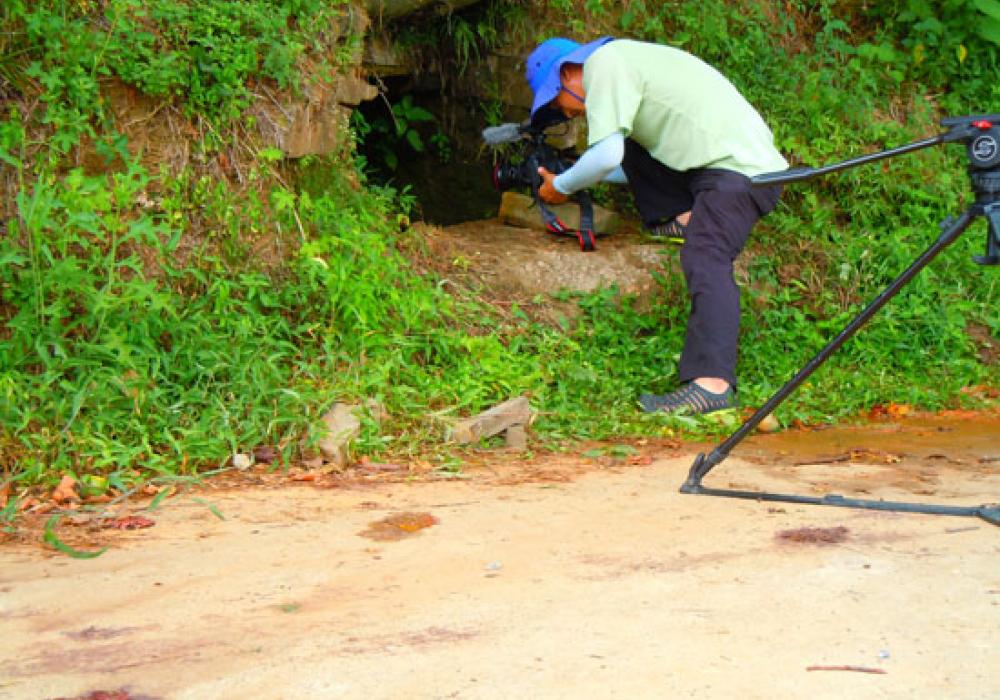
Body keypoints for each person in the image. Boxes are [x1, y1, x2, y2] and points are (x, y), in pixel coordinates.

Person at [524, 36, 787, 415]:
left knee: (706, 256)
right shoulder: (624, 60)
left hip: (740, 174)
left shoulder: (606, 65)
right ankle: (683, 219)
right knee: (629, 140)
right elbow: (617, 159)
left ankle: (711, 385)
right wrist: (572, 174)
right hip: (717, 165)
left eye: (555, 104)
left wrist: (560, 188)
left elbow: (605, 156)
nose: (565, 114)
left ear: (567, 74)